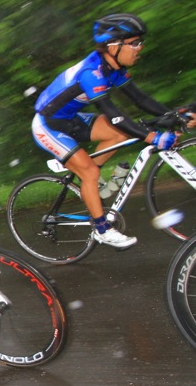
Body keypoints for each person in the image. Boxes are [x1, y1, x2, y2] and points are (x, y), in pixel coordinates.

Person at [32, 13, 196, 249]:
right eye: (135, 43)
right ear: (113, 45)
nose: (140, 48)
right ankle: (101, 229)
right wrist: (152, 136)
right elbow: (114, 114)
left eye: (141, 42)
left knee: (120, 134)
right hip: (47, 126)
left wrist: (173, 117)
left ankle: (92, 182)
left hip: (71, 118)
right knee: (89, 171)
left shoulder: (113, 67)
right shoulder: (92, 73)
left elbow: (140, 99)